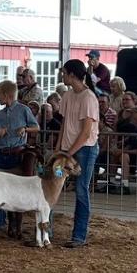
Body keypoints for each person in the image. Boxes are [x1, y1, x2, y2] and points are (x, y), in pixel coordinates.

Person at [56, 58, 101, 248]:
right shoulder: (68, 95)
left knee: (81, 189)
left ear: (72, 74)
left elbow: (85, 133)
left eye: (64, 73)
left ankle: (79, 235)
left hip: (85, 149)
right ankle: (44, 230)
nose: (62, 76)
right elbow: (64, 125)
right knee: (52, 183)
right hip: (70, 148)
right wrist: (59, 149)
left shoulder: (88, 97)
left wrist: (67, 153)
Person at [0, 80, 39, 233]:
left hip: (16, 153)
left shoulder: (23, 110)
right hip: (1, 153)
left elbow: (36, 127)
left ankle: (14, 223)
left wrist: (25, 129)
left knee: (15, 188)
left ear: (6, 95)